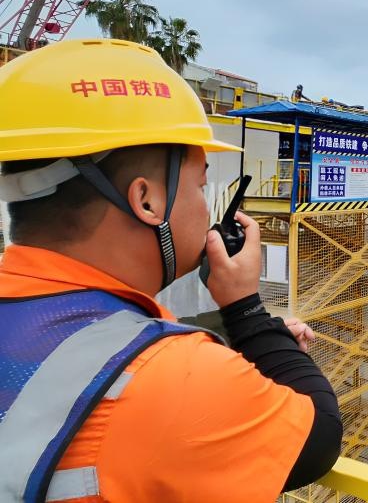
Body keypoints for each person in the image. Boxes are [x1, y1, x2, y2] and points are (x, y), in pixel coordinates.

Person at [0, 40, 341, 501]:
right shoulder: (174, 377)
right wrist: (246, 310)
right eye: (201, 187)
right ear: (147, 200)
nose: (206, 209)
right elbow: (317, 438)